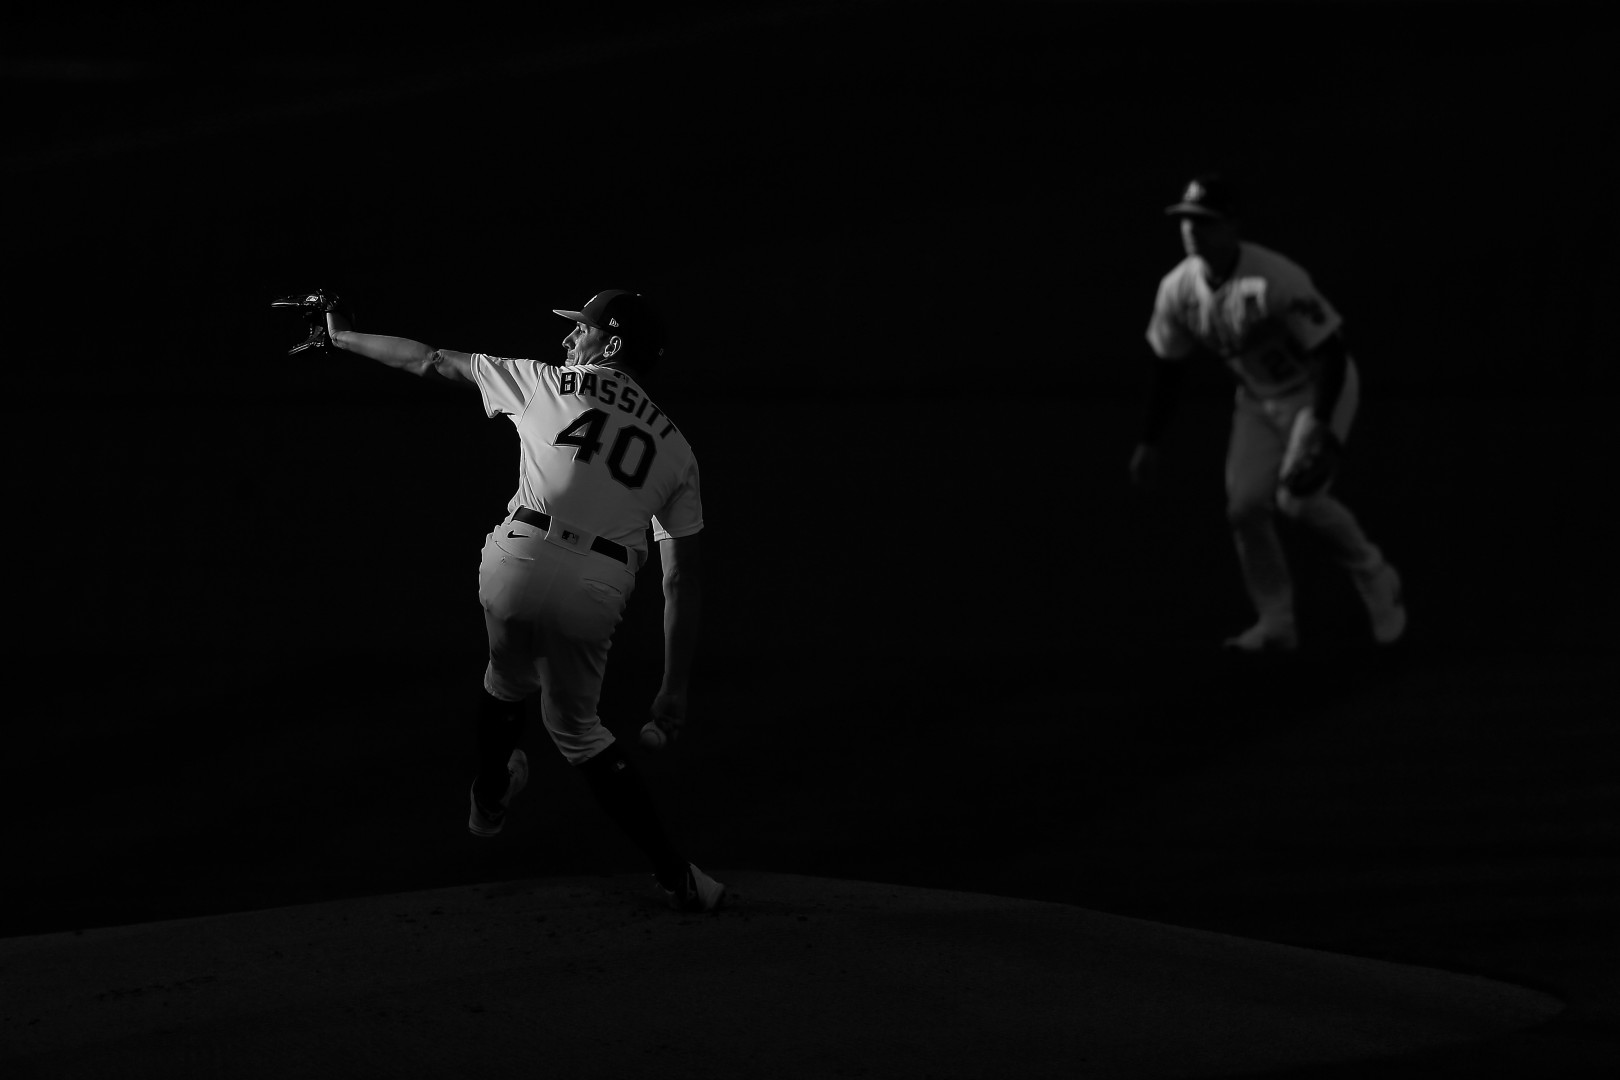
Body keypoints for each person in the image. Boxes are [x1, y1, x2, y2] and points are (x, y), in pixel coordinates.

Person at [322, 288, 724, 912]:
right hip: (597, 583)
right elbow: (681, 580)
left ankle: (488, 793)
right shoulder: (676, 448)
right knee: (580, 732)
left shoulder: (546, 382)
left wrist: (341, 336)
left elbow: (429, 360)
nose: (569, 339)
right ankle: (678, 877)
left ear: (611, 345)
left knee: (506, 681)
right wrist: (674, 686)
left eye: (582, 330)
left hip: (518, 557)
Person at [1130, 175, 1406, 652]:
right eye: (1186, 220)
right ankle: (1276, 621)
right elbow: (1169, 368)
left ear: (1232, 225)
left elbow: (1333, 355)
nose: (1192, 229)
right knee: (1244, 507)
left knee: (1297, 500)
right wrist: (1150, 440)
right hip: (1258, 399)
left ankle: (1375, 574)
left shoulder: (1274, 277)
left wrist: (1320, 428)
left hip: (1318, 389)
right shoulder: (1177, 288)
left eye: (1205, 220)